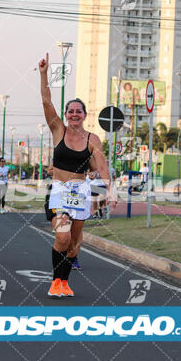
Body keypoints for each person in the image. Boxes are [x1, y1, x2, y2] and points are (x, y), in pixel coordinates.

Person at [39, 52, 116, 298]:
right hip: (59, 191)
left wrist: (109, 189)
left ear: (84, 115)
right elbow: (46, 102)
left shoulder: (93, 139)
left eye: (78, 111)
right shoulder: (57, 129)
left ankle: (64, 282)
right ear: (66, 113)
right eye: (70, 111)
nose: (74, 114)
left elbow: (102, 167)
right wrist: (44, 75)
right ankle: (54, 282)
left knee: (73, 245)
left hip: (80, 192)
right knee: (61, 236)